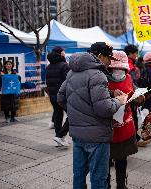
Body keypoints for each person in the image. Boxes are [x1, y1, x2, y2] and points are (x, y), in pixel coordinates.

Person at [57, 42, 127, 189]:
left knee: (79, 176)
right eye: (108, 58)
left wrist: (78, 114)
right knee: (99, 179)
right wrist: (118, 101)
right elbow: (105, 108)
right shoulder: (98, 75)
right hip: (97, 137)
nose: (110, 62)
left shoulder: (72, 72)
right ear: (100, 56)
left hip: (78, 135)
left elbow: (61, 98)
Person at [107, 50, 138, 189]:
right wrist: (112, 95)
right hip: (108, 129)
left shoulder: (129, 78)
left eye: (122, 68)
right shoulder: (103, 80)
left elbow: (134, 93)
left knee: (122, 160)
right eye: (115, 68)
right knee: (105, 162)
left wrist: (140, 97)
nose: (119, 71)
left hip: (126, 126)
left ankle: (121, 185)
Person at [46, 46, 70, 146]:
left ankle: (58, 137)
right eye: (64, 51)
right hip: (63, 96)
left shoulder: (48, 67)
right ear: (60, 53)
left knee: (57, 115)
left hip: (52, 95)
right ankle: (60, 136)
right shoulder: (64, 66)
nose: (65, 53)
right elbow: (68, 81)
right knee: (73, 115)